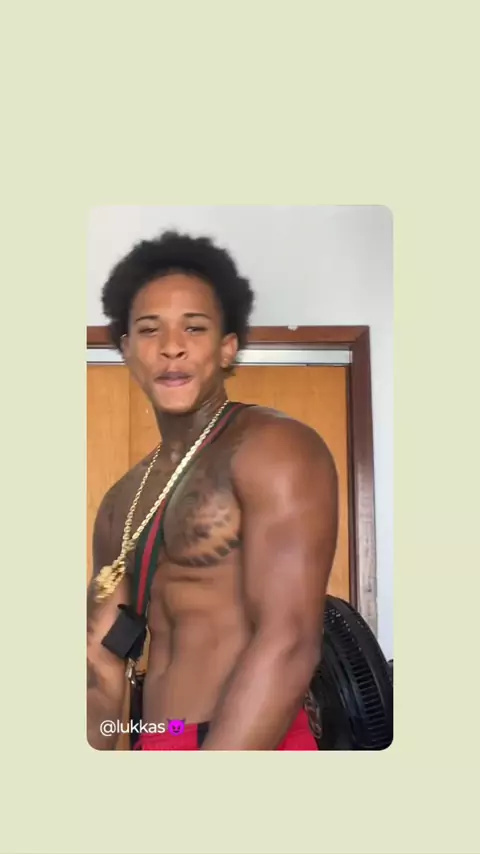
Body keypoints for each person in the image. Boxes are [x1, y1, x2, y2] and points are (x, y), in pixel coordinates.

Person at [87, 230, 339, 750]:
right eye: (149, 330)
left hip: (254, 743)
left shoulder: (274, 448)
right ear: (127, 350)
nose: (171, 346)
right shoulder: (121, 501)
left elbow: (289, 642)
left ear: (227, 349)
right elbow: (102, 659)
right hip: (159, 737)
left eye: (194, 328)